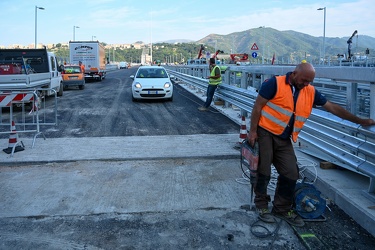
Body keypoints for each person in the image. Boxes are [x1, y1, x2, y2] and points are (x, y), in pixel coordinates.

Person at [247, 62, 375, 227]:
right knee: (264, 170)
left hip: (284, 138)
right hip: (265, 132)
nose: (306, 83)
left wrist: (360, 121)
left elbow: (333, 108)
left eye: (309, 81)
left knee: (291, 173)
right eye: (304, 80)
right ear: (294, 73)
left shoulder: (310, 91)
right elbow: (257, 107)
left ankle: (281, 208)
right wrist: (252, 132)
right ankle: (262, 206)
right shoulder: (275, 83)